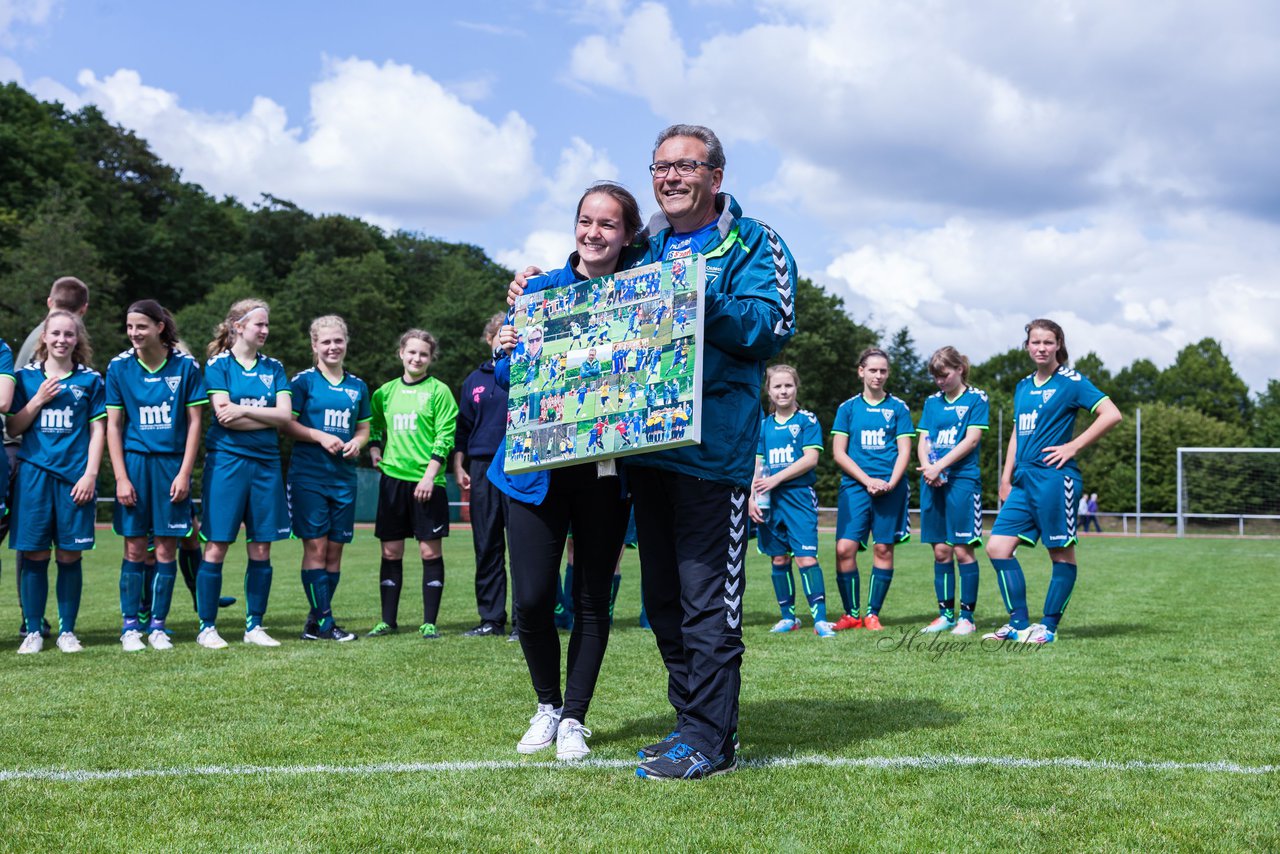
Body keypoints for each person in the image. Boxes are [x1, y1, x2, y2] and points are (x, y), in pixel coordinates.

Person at [615, 124, 796, 780]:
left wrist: (697, 293)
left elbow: (769, 326)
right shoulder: (646, 246)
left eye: (685, 166)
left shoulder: (754, 242)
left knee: (705, 604)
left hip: (712, 458)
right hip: (645, 454)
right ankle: (689, 722)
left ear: (716, 177)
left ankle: (712, 742)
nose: (669, 177)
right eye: (660, 166)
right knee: (662, 604)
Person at [489, 181, 637, 762]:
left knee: (592, 599)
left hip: (604, 475)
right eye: (585, 221)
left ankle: (575, 716)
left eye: (607, 224)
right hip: (534, 470)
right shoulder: (539, 289)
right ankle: (547, 705)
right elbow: (505, 381)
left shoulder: (643, 290)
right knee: (530, 599)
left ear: (626, 235)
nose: (593, 233)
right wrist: (505, 349)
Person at [984, 319, 1122, 644]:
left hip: (1055, 479)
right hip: (1023, 480)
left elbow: (1112, 413)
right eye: (1036, 342)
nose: (1042, 348)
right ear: (1027, 346)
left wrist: (1073, 446)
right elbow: (1019, 433)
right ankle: (1018, 624)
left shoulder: (1071, 382)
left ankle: (1048, 627)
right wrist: (1005, 477)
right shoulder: (1022, 386)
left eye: (1048, 342)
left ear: (1058, 344)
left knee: (1060, 553)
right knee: (997, 547)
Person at [104, 300, 207, 651]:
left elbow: (195, 424)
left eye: (141, 327)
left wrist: (184, 473)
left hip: (171, 466)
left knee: (166, 548)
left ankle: (159, 627)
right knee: (134, 547)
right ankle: (130, 626)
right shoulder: (119, 367)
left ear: (160, 327)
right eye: (130, 327)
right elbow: (114, 426)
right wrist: (120, 476)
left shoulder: (185, 367)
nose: (134, 333)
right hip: (134, 464)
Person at [196, 298, 293, 650]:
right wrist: (262, 414)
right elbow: (223, 417)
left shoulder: (274, 368)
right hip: (227, 461)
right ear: (238, 326)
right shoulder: (219, 366)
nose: (265, 331)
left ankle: (255, 625)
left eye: (267, 325)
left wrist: (241, 410)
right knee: (217, 545)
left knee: (262, 547)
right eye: (259, 325)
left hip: (266, 463)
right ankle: (207, 627)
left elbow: (286, 416)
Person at [8, 311, 105, 654]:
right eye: (56, 334)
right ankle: (33, 631)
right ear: (44, 338)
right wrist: (38, 400)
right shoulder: (25, 378)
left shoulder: (91, 380)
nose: (62, 340)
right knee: (33, 554)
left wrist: (91, 474)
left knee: (69, 555)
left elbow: (98, 431)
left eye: (69, 334)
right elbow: (13, 429)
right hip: (34, 475)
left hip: (74, 479)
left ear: (77, 339)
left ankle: (67, 632)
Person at [282, 316, 371, 643]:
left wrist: (358, 443)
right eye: (326, 342)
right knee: (316, 548)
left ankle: (315, 620)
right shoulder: (303, 382)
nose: (333, 347)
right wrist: (319, 436)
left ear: (346, 342)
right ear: (314, 346)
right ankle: (325, 623)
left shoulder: (357, 386)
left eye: (338, 341)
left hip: (343, 478)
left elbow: (364, 428)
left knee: (335, 552)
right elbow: (286, 424)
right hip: (309, 476)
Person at [367, 329, 458, 640]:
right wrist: (375, 447)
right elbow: (374, 422)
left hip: (427, 483)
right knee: (391, 553)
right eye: (412, 352)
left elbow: (445, 436)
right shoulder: (384, 392)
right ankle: (387, 622)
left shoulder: (439, 391)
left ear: (430, 359)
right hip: (393, 481)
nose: (417, 358)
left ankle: (429, 623)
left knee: (429, 553)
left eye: (423, 354)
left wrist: (430, 476)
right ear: (401, 354)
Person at [830, 347, 915, 633]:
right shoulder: (848, 408)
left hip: (890, 487)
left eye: (883, 371)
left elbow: (905, 450)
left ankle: (872, 614)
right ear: (861, 371)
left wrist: (890, 481)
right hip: (856, 486)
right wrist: (867, 480)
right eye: (873, 370)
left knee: (883, 547)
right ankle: (851, 614)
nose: (878, 375)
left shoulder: (898, 408)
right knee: (844, 548)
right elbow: (839, 453)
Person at [749, 365, 832, 637]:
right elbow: (757, 464)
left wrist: (776, 479)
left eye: (788, 386)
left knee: (806, 558)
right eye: (777, 386)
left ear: (796, 388)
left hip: (798, 498)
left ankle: (820, 619)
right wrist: (751, 497)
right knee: (778, 559)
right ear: (768, 391)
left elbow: (811, 459)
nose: (783, 391)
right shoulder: (762, 425)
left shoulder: (807, 421)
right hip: (769, 501)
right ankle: (789, 617)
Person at [915, 346, 989, 636]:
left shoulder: (976, 398)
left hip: (962, 480)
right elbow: (924, 439)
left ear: (959, 369)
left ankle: (966, 617)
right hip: (932, 480)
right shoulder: (932, 402)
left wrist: (941, 466)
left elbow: (971, 440)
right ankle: (945, 614)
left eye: (944, 375)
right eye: (935, 377)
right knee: (941, 550)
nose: (940, 382)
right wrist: (927, 467)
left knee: (962, 550)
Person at [454, 313, 515, 639]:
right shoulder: (473, 380)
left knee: (521, 546)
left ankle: (525, 622)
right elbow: (462, 430)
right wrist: (459, 465)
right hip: (481, 467)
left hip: (519, 463)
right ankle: (491, 619)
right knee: (487, 544)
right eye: (499, 335)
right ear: (491, 337)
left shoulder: (524, 371)